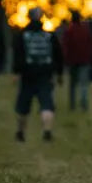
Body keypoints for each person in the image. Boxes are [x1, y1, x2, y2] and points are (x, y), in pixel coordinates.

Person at [13, 8, 63, 142]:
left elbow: (18, 55)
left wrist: (16, 72)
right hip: (45, 74)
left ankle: (20, 132)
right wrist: (59, 73)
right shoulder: (49, 36)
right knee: (47, 104)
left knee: (23, 106)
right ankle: (47, 130)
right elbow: (58, 56)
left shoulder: (22, 35)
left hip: (27, 74)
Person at [61, 12, 92, 112]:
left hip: (72, 61)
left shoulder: (69, 30)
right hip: (84, 60)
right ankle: (84, 104)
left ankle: (72, 104)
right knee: (83, 83)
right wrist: (91, 57)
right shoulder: (85, 30)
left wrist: (65, 60)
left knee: (72, 85)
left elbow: (65, 47)